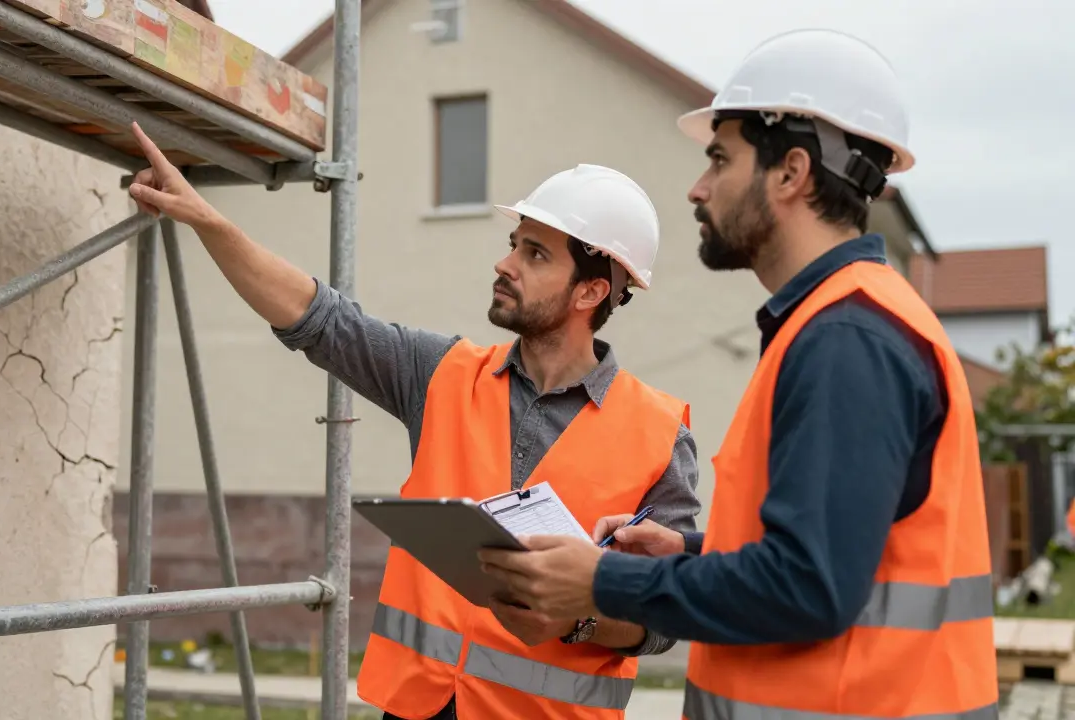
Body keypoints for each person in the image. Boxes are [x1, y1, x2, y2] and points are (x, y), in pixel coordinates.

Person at [478, 28, 999, 720]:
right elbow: (838, 556)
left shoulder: (846, 339)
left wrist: (605, 580)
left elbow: (807, 588)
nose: (698, 188)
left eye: (720, 159)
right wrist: (695, 549)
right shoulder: (840, 323)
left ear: (790, 173)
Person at [124, 124, 701, 720]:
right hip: (417, 708)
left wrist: (581, 618)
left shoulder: (659, 434)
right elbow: (317, 318)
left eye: (534, 254)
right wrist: (208, 222)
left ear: (590, 292)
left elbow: (662, 618)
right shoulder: (442, 374)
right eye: (514, 243)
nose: (504, 264)